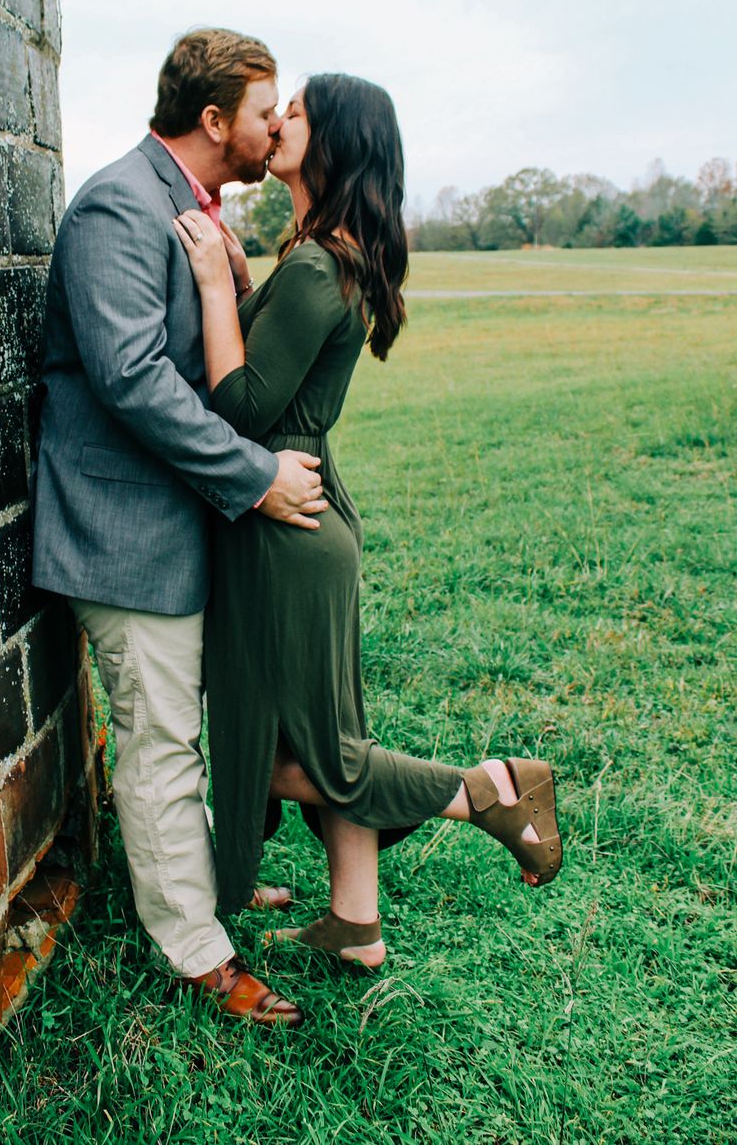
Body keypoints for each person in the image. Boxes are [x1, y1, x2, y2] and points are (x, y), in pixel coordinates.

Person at [174, 73, 563, 972]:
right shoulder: (330, 251)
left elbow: (240, 409)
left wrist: (212, 284)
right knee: (323, 732)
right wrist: (237, 274)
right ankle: (357, 923)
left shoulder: (317, 265)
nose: (277, 122)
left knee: (286, 754)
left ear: (336, 140)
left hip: (284, 530)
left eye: (297, 111)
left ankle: (490, 791)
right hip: (306, 523)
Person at [32, 29, 325, 1027]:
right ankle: (197, 949)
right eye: (261, 109)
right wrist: (255, 478)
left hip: (177, 524)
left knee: (194, 731)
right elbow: (130, 379)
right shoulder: (120, 204)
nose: (274, 124)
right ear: (213, 121)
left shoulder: (188, 209)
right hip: (122, 530)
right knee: (159, 742)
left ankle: (214, 886)